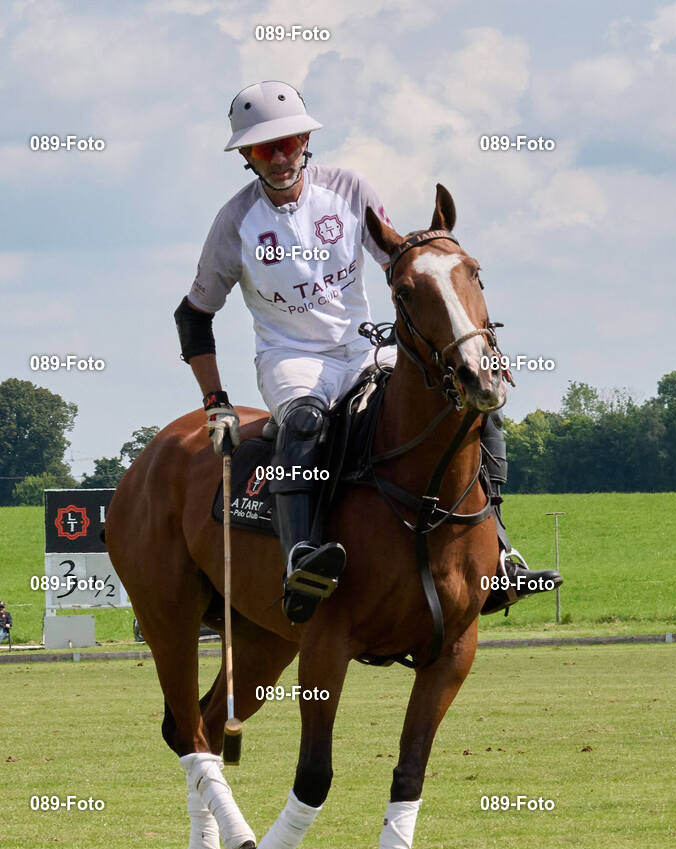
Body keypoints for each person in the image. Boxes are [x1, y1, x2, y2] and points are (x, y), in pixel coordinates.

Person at [175, 80, 561, 623]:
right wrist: (215, 400)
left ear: (306, 139)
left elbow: (398, 260)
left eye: (289, 143)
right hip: (291, 358)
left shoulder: (348, 188)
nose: (281, 158)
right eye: (265, 148)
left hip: (363, 348)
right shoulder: (235, 222)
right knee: (305, 424)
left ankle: (498, 549)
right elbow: (194, 315)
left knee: (472, 405)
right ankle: (300, 557)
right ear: (246, 156)